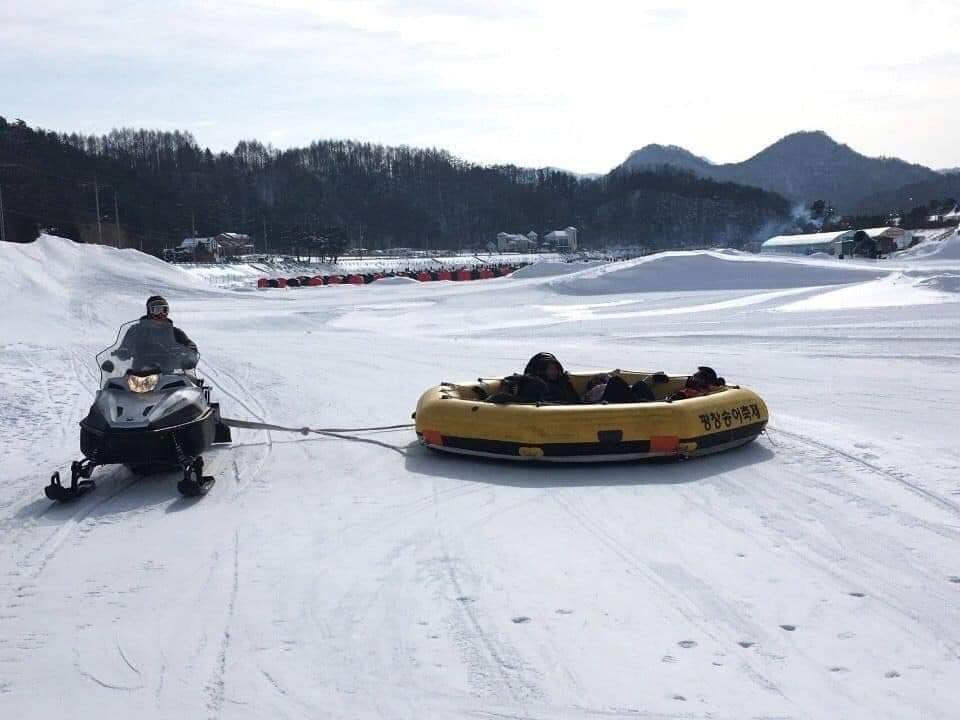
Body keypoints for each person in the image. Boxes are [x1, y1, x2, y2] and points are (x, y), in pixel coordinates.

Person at [114, 296, 198, 368]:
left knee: (186, 384)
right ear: (149, 311)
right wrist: (124, 351)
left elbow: (189, 345)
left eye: (164, 310)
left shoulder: (175, 332)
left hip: (170, 373)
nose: (161, 314)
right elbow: (126, 345)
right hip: (139, 371)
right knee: (119, 385)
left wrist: (190, 353)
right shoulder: (136, 330)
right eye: (157, 310)